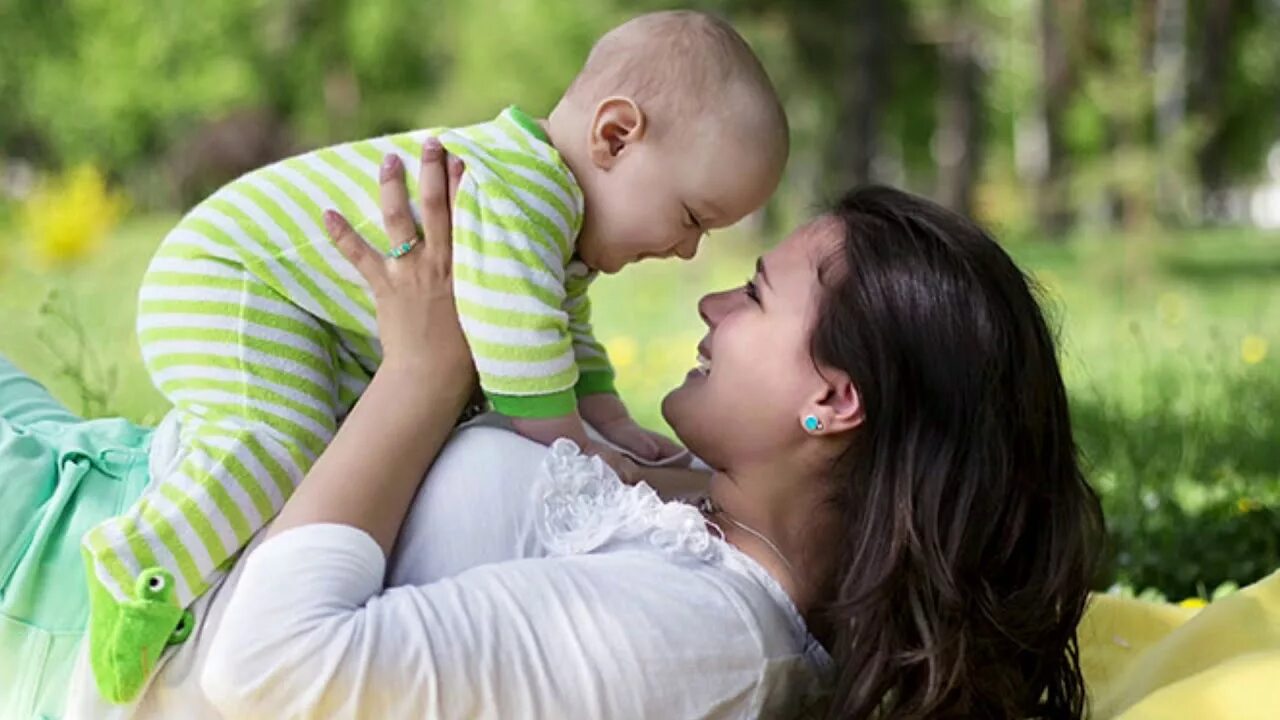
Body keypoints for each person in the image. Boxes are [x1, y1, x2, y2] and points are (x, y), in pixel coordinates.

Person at [79, 145, 1105, 717]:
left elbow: (266, 669)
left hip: (51, 602)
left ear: (833, 402)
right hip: (97, 480)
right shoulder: (706, 505)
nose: (710, 307)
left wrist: (422, 376)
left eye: (752, 295)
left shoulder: (707, 647)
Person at [81, 10, 789, 702]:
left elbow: (560, 330)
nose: (689, 249)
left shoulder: (551, 215)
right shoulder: (521, 193)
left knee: (313, 449)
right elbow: (523, 357)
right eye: (692, 216)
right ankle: (143, 565)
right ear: (615, 136)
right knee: (280, 437)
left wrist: (607, 416)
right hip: (234, 281)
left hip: (287, 302)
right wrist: (580, 451)